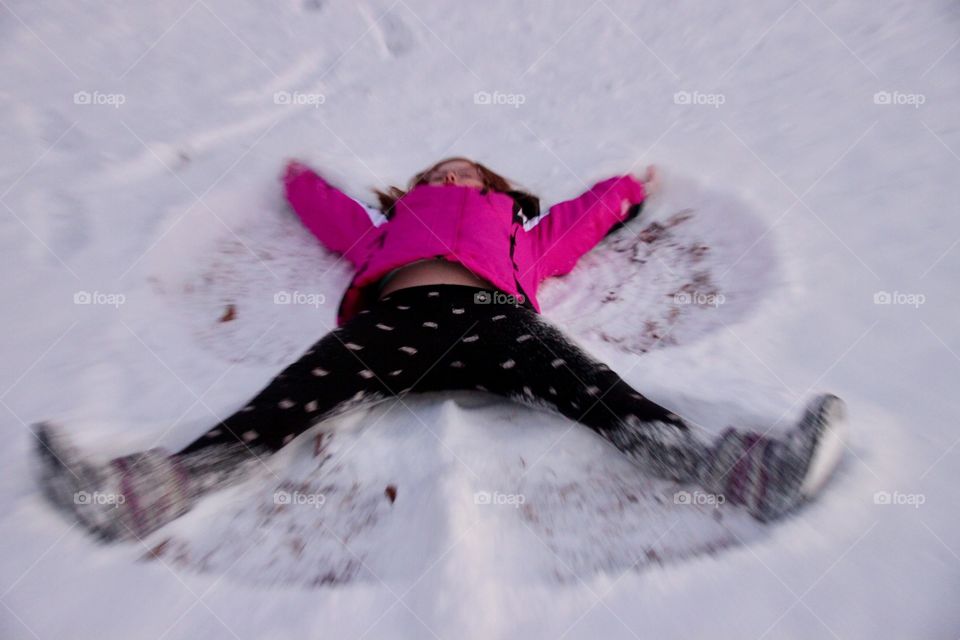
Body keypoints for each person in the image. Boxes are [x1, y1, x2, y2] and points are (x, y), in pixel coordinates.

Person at [32, 157, 847, 543]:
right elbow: (337, 225)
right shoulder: (388, 230)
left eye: (468, 171)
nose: (452, 175)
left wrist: (626, 190)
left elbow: (578, 223)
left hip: (495, 317)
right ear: (410, 192)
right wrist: (299, 184)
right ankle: (157, 488)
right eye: (436, 170)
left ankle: (736, 470)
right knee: (294, 395)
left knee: (591, 387)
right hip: (392, 324)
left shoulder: (520, 234)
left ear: (497, 191)